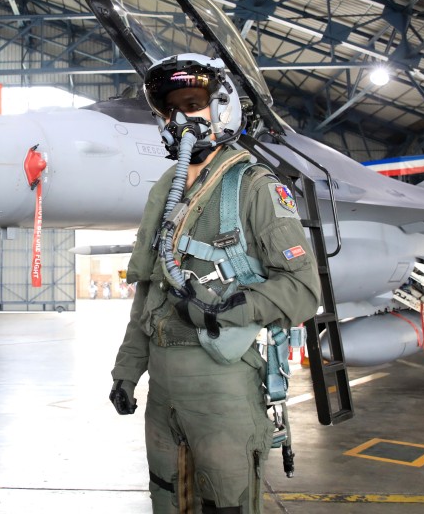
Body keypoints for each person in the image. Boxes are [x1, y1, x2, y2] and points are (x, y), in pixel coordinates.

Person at [108, 53, 321, 514]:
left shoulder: (255, 186)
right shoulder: (167, 187)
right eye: (170, 109)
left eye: (192, 102)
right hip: (163, 388)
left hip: (219, 381)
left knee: (226, 501)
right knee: (167, 497)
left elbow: (303, 291)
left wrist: (225, 309)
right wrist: (128, 370)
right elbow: (149, 288)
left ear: (222, 107)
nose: (179, 118)